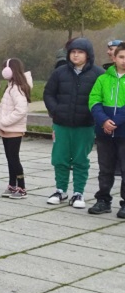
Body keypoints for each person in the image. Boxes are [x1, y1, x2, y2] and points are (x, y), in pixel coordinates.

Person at [43, 38, 100, 208]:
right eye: (73, 52)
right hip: (62, 124)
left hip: (85, 125)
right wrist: (56, 110)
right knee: (60, 158)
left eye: (80, 52)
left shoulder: (98, 74)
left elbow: (101, 98)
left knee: (80, 159)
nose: (76, 55)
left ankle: (78, 193)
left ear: (88, 55)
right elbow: (48, 94)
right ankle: (60, 190)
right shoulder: (60, 72)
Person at [88, 43, 125, 217]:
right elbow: (94, 100)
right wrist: (103, 120)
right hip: (105, 132)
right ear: (114, 58)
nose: (124, 61)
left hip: (123, 132)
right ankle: (103, 199)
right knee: (105, 168)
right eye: (121, 57)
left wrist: (115, 121)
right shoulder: (103, 79)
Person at [0, 58, 32, 199]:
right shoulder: (11, 86)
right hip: (7, 130)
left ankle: (21, 187)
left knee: (14, 159)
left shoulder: (17, 88)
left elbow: (20, 110)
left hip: (13, 129)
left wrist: (4, 121)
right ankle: (12, 185)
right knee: (10, 158)